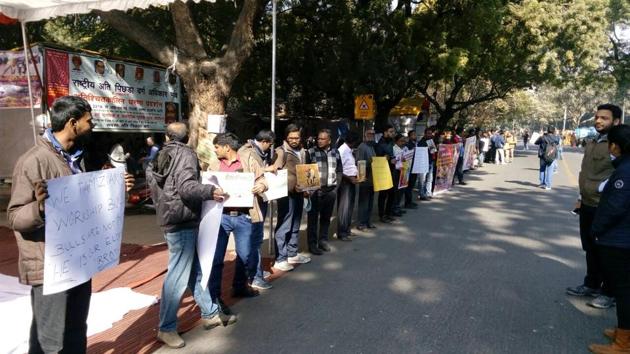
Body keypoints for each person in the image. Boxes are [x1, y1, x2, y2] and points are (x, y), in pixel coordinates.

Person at [7, 96, 134, 353]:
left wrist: (116, 191)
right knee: (49, 342)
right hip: (49, 268)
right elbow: (15, 217)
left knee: (76, 330)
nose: (93, 125)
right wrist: (40, 207)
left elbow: (83, 206)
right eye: (89, 121)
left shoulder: (76, 159)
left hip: (78, 262)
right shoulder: (33, 161)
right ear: (73, 123)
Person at [147, 122, 235, 348]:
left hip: (168, 217)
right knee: (178, 274)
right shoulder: (185, 154)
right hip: (182, 219)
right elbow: (186, 188)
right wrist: (210, 191)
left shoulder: (159, 154)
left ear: (167, 137)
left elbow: (157, 187)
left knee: (194, 269)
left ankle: (210, 311)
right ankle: (166, 327)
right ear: (188, 138)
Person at [567, 104, 623, 310]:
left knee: (607, 251)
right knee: (590, 248)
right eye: (597, 117)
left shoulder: (618, 145)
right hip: (588, 204)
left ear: (616, 121)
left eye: (604, 118)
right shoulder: (592, 141)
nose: (598, 121)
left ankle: (609, 293)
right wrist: (581, 198)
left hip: (606, 207)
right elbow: (585, 173)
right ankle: (591, 284)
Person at [208, 132, 268, 305]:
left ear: (227, 147)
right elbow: (206, 186)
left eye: (217, 147)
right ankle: (214, 295)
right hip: (221, 217)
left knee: (246, 256)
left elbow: (263, 179)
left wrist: (260, 185)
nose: (215, 150)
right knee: (217, 258)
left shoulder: (248, 160)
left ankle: (240, 286)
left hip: (244, 216)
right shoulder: (214, 165)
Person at [588, 124, 630, 353]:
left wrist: (596, 229)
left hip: (620, 241)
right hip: (621, 238)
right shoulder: (624, 167)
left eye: (611, 143)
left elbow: (615, 208)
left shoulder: (625, 172)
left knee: (624, 290)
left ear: (616, 145)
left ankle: (623, 343)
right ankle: (624, 331)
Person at [240, 129, 277, 290]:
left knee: (255, 239)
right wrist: (267, 170)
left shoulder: (255, 152)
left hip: (258, 200)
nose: (269, 148)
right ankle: (255, 276)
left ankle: (255, 272)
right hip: (252, 202)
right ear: (265, 142)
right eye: (269, 145)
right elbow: (250, 174)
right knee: (254, 241)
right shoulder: (248, 153)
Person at [273, 124, 311, 272]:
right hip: (286, 194)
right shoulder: (281, 152)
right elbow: (275, 174)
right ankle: (280, 258)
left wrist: (307, 187)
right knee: (284, 225)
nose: (294, 140)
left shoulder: (302, 151)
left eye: (297, 137)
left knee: (295, 223)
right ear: (286, 138)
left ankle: (292, 253)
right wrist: (291, 186)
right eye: (291, 138)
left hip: (300, 193)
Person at [306, 129, 341, 254]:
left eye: (323, 139)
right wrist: (309, 190)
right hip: (315, 191)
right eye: (318, 138)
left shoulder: (336, 152)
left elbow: (339, 170)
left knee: (326, 218)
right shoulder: (310, 152)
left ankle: (323, 241)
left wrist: (336, 187)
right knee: (313, 219)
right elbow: (305, 171)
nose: (319, 141)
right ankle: (312, 244)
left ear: (329, 140)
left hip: (330, 190)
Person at [337, 131, 360, 241]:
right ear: (353, 142)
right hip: (345, 181)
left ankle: (346, 229)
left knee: (350, 206)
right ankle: (341, 232)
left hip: (352, 180)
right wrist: (349, 178)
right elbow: (339, 169)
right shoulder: (342, 150)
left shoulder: (349, 150)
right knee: (344, 208)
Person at [356, 129, 377, 230]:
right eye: (369, 134)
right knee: (363, 202)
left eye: (373, 134)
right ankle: (361, 223)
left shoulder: (372, 146)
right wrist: (370, 162)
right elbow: (359, 163)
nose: (371, 135)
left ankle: (368, 221)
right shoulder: (362, 147)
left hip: (372, 179)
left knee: (370, 202)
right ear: (364, 135)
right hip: (365, 178)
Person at [376, 124, 397, 223]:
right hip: (383, 172)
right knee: (383, 195)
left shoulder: (391, 142)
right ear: (385, 133)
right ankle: (382, 215)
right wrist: (389, 158)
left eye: (393, 132)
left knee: (392, 194)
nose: (393, 134)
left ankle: (388, 213)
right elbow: (381, 157)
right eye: (391, 132)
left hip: (392, 171)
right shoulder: (381, 143)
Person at [417, 127, 437, 200]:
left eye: (431, 133)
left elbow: (433, 151)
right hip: (423, 163)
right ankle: (422, 194)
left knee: (429, 179)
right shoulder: (421, 142)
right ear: (425, 134)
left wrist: (434, 148)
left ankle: (428, 193)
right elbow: (420, 153)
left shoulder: (431, 141)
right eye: (428, 133)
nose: (430, 134)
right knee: (422, 180)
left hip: (431, 162)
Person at [404, 130, 419, 209]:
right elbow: (407, 155)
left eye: (415, 134)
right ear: (409, 136)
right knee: (408, 186)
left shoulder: (416, 143)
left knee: (411, 185)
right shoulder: (408, 144)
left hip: (415, 167)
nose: (415, 136)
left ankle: (410, 201)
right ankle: (407, 202)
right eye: (413, 135)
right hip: (410, 167)